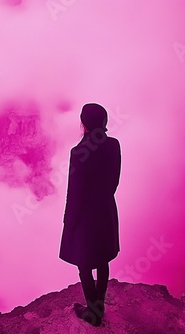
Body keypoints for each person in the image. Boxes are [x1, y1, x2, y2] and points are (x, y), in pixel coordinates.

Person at [59, 103, 121, 327]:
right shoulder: (113, 145)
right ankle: (99, 307)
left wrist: (70, 221)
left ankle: (92, 312)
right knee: (103, 259)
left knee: (84, 264)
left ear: (84, 123)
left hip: (85, 215)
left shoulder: (78, 153)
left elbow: (74, 191)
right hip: (105, 209)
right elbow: (114, 182)